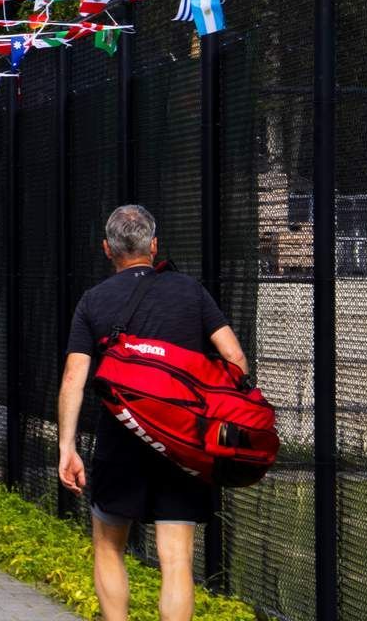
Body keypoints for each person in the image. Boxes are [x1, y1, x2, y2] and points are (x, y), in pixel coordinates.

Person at [57, 205, 249, 621]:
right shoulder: (190, 292)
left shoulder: (94, 301)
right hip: (181, 443)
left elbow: (74, 377)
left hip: (119, 440)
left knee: (109, 546)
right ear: (154, 245)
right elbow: (235, 358)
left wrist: (66, 447)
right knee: (176, 559)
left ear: (107, 249)